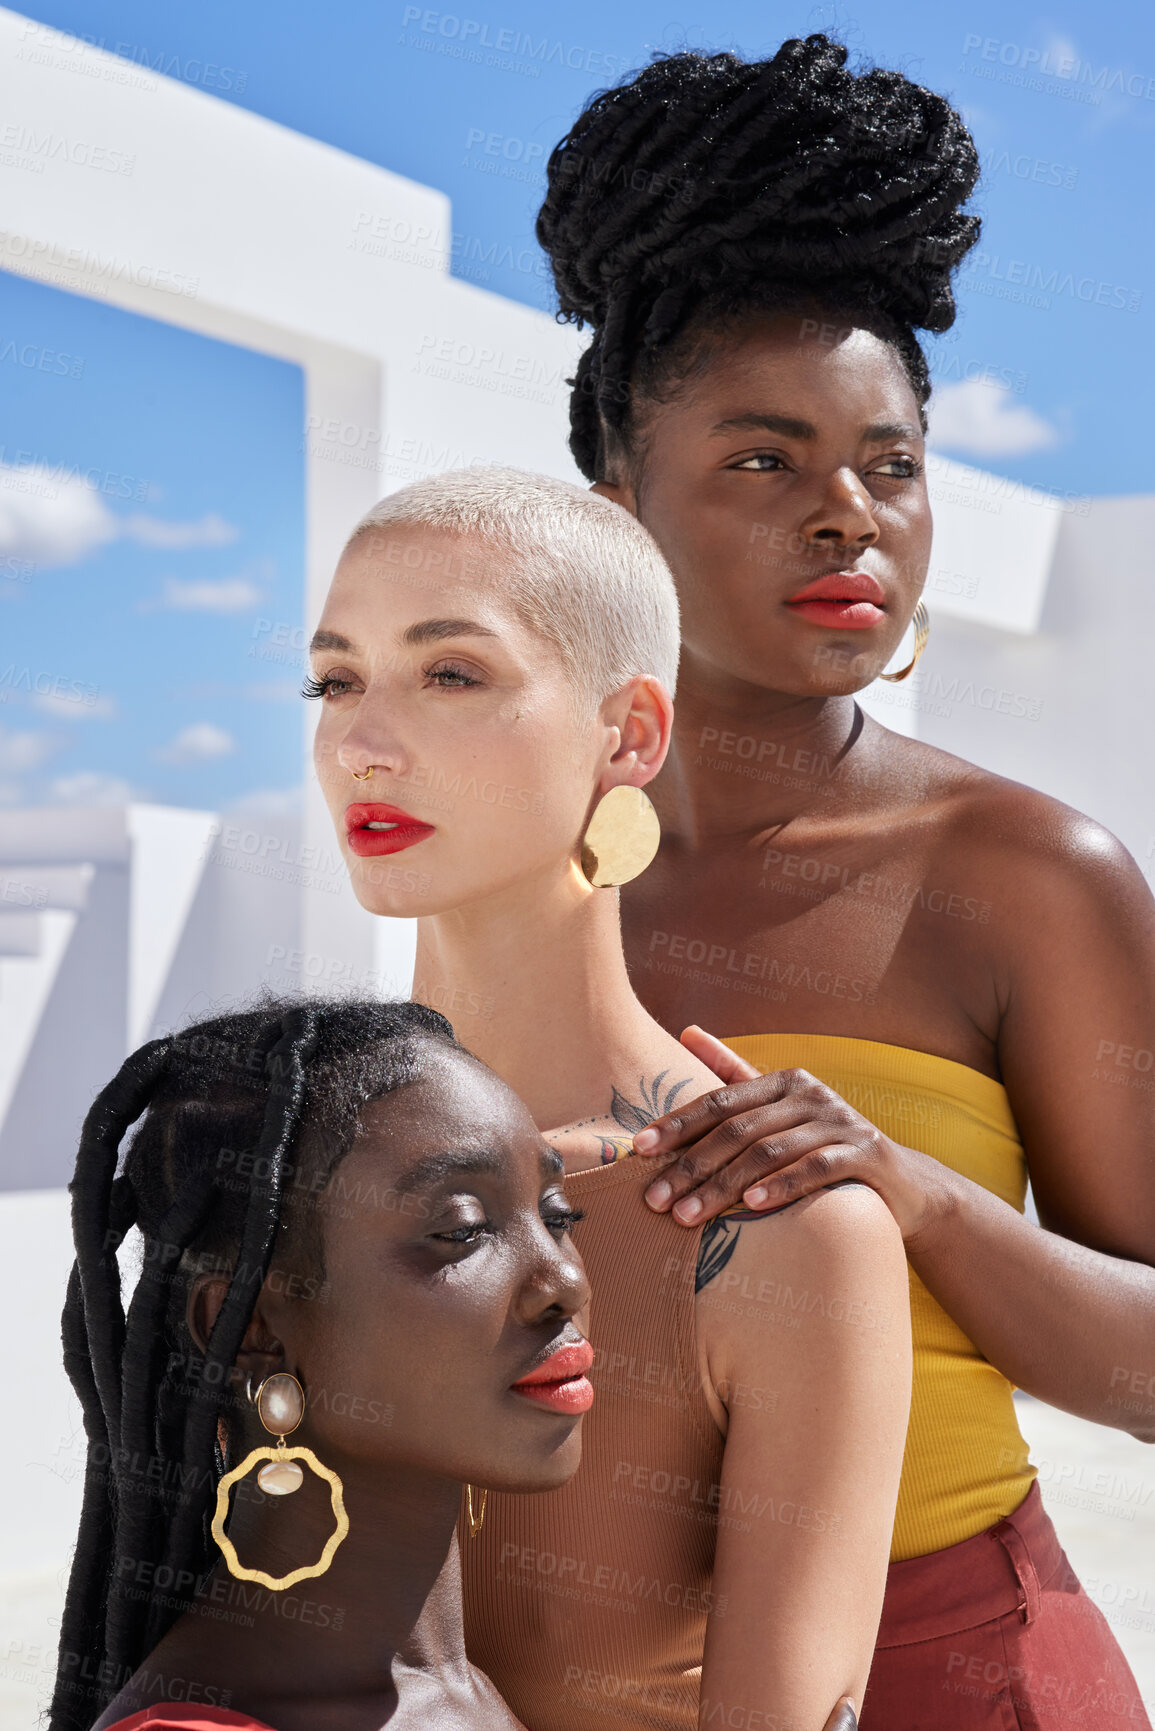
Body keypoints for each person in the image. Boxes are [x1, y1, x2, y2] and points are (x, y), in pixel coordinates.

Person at [534, 34, 1155, 1728]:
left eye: (889, 465)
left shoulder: (1027, 872)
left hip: (963, 1664)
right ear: (616, 497)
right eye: (763, 459)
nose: (847, 519)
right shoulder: (521, 861)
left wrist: (913, 1194)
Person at [308, 465, 911, 1730]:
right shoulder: (275, 1166)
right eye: (337, 679)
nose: (360, 741)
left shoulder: (785, 1225)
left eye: (451, 673)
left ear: (629, 734)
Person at [50, 997, 595, 1731]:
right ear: (255, 1328)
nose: (563, 1282)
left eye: (558, 1215)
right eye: (461, 1229)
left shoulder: (458, 1683)